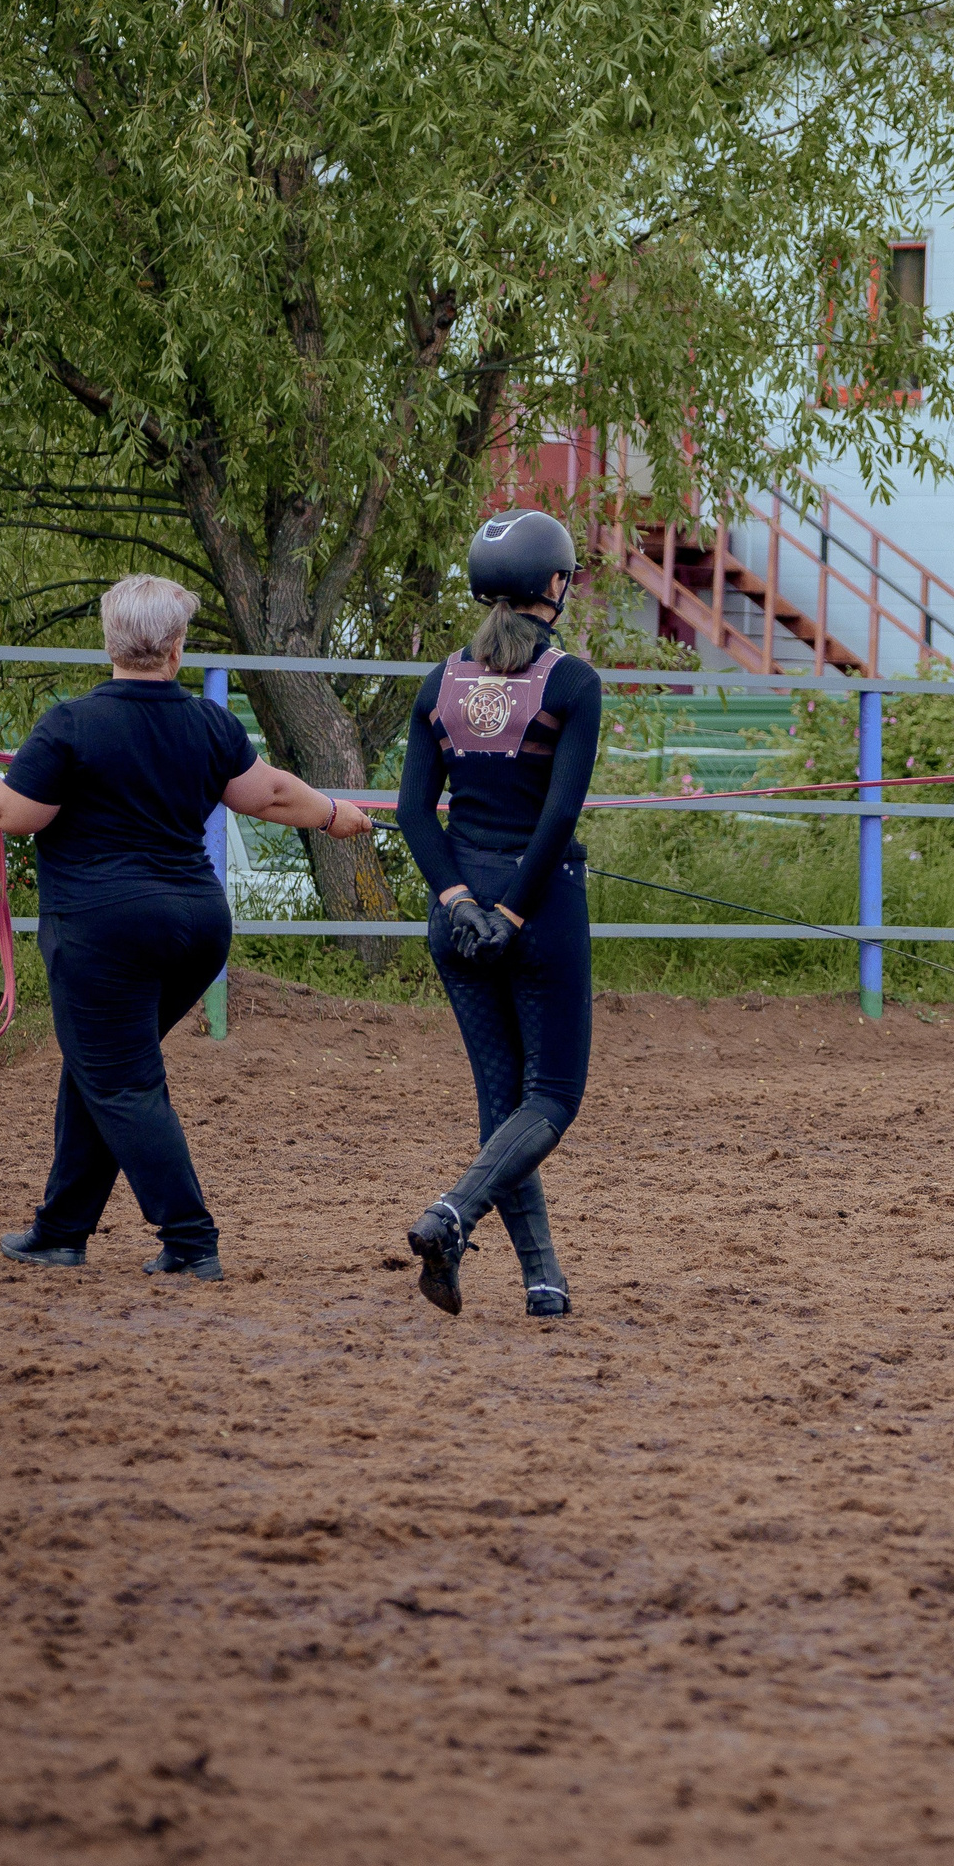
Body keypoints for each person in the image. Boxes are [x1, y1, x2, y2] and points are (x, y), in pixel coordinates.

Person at [0, 575, 378, 1281]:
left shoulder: (71, 723)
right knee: (102, 1068)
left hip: (103, 930)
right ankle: (61, 1229)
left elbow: (10, 814)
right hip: (196, 927)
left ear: (109, 641)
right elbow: (266, 792)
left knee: (120, 1080)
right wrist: (336, 813)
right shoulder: (209, 724)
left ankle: (189, 1239)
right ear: (176, 649)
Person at [393, 509, 602, 1320]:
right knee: (550, 1098)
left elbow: (415, 813)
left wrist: (459, 904)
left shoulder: (440, 682)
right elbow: (556, 819)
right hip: (540, 911)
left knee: (499, 1100)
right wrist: (511, 915)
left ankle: (542, 1280)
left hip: (457, 913)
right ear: (554, 585)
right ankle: (452, 1214)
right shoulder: (571, 682)